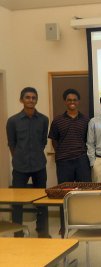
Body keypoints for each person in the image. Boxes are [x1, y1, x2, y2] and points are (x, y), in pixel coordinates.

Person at [6, 87, 50, 238]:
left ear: (36, 100)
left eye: (33, 97)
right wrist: (19, 157)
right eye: (27, 97)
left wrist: (35, 153)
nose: (31, 100)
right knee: (17, 202)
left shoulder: (44, 119)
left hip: (39, 165)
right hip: (20, 167)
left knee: (42, 201)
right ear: (21, 100)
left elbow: (43, 141)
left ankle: (42, 231)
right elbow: (11, 143)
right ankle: (17, 232)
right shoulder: (13, 121)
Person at [48, 88, 91, 184]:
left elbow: (89, 140)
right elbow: (54, 139)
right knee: (65, 190)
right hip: (63, 161)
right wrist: (61, 153)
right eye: (69, 100)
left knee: (85, 189)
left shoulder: (86, 120)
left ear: (78, 101)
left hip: (82, 160)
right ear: (65, 102)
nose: (72, 102)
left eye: (75, 100)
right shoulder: (57, 120)